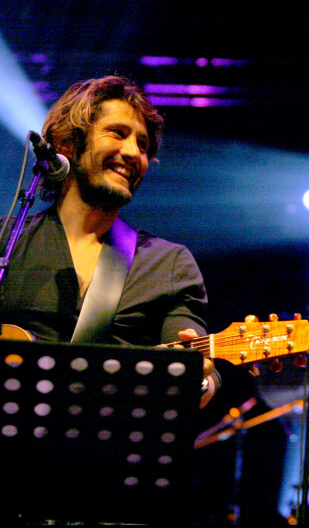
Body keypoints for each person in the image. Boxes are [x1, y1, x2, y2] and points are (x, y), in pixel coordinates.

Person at [0, 75, 219, 408]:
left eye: (143, 145)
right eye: (118, 133)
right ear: (66, 144)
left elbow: (200, 371)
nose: (133, 152)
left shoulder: (168, 264)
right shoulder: (7, 241)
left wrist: (201, 379)